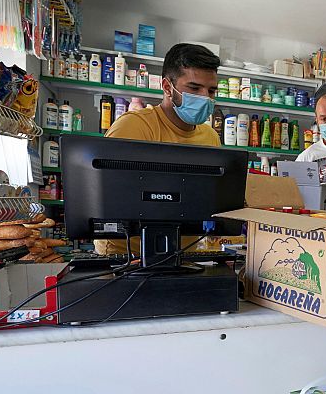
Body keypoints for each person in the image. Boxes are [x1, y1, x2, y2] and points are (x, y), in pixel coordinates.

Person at [96, 43, 230, 256]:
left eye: (211, 90)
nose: (206, 97)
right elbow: (106, 197)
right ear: (167, 87)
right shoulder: (133, 127)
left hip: (183, 256)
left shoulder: (210, 137)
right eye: (194, 88)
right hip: (126, 258)